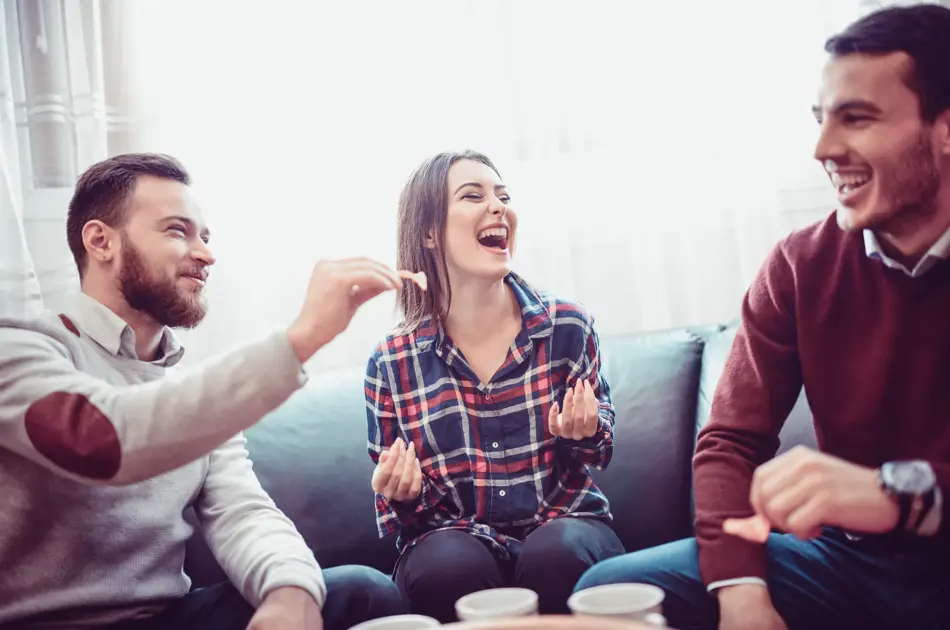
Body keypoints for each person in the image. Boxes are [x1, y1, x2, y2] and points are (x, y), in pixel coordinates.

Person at [574, 5, 950, 630]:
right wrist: (741, 590)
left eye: (857, 118)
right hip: (846, 563)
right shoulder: (801, 264)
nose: (824, 148)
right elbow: (728, 444)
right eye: (820, 119)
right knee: (611, 592)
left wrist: (900, 494)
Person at [0, 153, 408, 630]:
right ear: (101, 241)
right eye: (178, 231)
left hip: (169, 618)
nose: (207, 255)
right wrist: (302, 337)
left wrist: (290, 593)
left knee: (363, 591)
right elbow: (103, 439)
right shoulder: (19, 349)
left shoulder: (192, 393)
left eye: (206, 237)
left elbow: (241, 510)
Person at [363, 150, 625, 622]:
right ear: (428, 232)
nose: (498, 207)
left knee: (556, 552)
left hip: (565, 526)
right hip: (452, 542)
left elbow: (598, 456)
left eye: (503, 196)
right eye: (473, 195)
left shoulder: (568, 327)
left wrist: (584, 432)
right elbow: (400, 514)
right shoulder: (391, 363)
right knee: (446, 566)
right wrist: (402, 493)